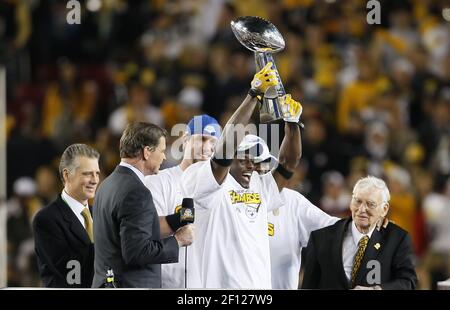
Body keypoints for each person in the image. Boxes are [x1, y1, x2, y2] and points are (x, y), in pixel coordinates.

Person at [180, 62, 303, 288]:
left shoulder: (259, 183)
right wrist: (254, 94)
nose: (251, 164)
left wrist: (292, 125)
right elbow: (224, 151)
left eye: (256, 160)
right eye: (244, 157)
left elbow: (289, 162)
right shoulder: (204, 177)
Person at [92, 122, 194, 288]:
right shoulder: (136, 192)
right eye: (161, 151)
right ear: (147, 152)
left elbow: (126, 233)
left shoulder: (106, 184)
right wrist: (178, 241)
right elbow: (137, 252)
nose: (164, 157)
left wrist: (177, 219)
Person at [246, 135, 339, 289]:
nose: (258, 169)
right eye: (249, 163)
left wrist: (362, 226)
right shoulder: (224, 201)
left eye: (263, 163)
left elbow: (330, 227)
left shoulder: (292, 202)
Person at [144, 114, 221, 288]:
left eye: (213, 143)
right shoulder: (158, 181)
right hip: (165, 284)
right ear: (185, 140)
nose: (207, 148)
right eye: (201, 139)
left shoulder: (221, 190)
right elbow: (147, 231)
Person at [302, 176, 417, 290]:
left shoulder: (397, 239)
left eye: (370, 204)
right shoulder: (321, 238)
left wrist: (376, 289)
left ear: (384, 209)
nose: (362, 209)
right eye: (358, 201)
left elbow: (408, 282)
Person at [33, 144, 100, 287]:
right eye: (87, 173)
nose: (94, 180)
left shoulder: (100, 215)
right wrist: (110, 249)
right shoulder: (46, 219)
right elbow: (68, 271)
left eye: (97, 173)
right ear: (66, 174)